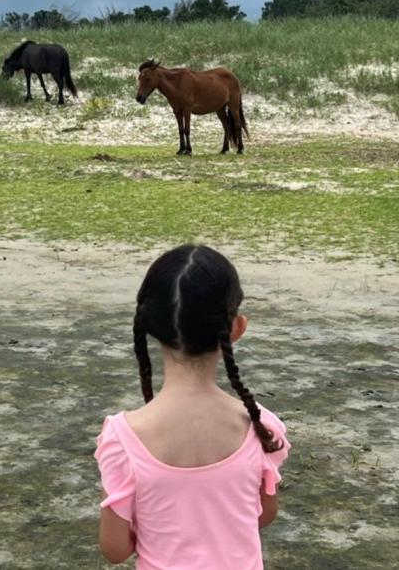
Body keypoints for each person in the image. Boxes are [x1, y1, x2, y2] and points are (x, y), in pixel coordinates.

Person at [95, 244, 290, 570]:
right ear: (236, 328)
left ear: (150, 328)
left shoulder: (123, 438)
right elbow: (264, 514)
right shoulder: (260, 425)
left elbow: (115, 549)